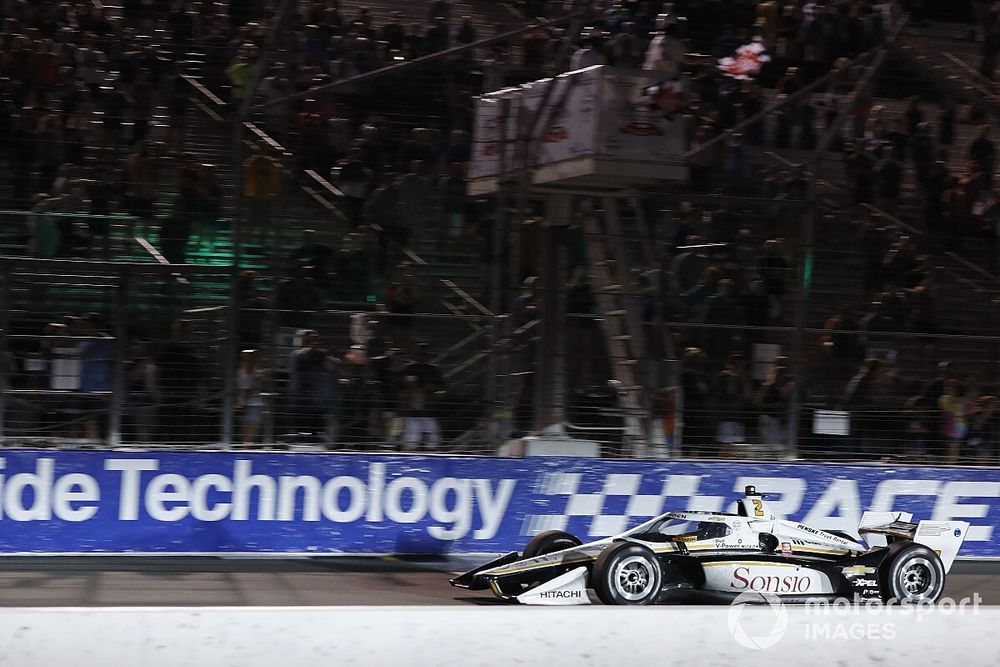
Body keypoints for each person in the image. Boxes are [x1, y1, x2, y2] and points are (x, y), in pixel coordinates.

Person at [401, 343, 445, 451]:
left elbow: (443, 386)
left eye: (425, 354)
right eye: (421, 354)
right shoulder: (410, 368)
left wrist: (432, 387)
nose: (423, 357)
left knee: (433, 439)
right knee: (411, 440)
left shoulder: (434, 369)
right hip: (413, 410)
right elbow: (407, 384)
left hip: (429, 410)